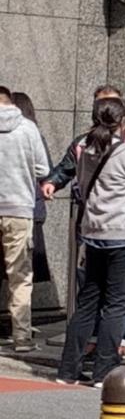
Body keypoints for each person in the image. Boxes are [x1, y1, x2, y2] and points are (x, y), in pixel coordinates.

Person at [56, 98, 125, 386]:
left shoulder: (86, 150)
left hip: (93, 234)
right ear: (124, 121)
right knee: (116, 305)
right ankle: (104, 371)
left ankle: (68, 371)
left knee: (88, 302)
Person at [0, 87, 49, 353]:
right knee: (20, 275)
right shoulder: (28, 128)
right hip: (19, 208)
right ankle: (21, 337)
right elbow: (42, 169)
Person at [11, 93, 53, 306]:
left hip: (12, 208)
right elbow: (46, 170)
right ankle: (21, 330)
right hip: (29, 209)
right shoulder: (34, 134)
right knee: (22, 273)